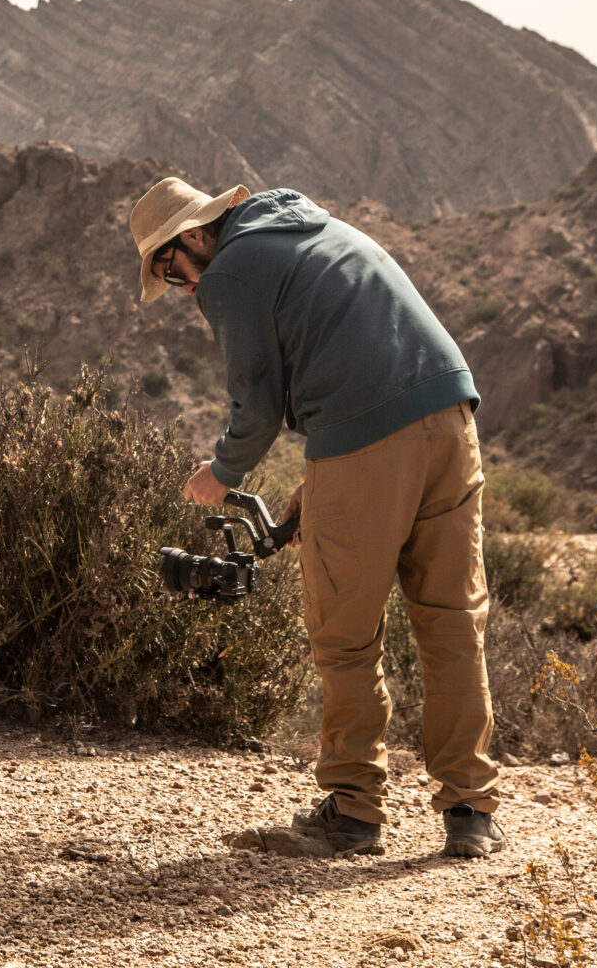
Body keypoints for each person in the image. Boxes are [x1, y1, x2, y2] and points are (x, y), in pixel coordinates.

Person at [128, 177, 502, 858]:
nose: (180, 289)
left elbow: (258, 402)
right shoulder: (313, 230)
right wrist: (319, 478)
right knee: (452, 622)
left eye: (167, 267)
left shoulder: (231, 270)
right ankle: (471, 813)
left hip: (367, 439)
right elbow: (357, 356)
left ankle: (354, 812)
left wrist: (223, 473)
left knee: (344, 632)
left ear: (190, 237)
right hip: (452, 417)